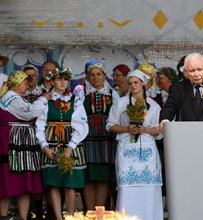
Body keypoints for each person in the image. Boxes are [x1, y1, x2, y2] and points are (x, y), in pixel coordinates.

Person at [106, 69, 163, 219]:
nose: (133, 86)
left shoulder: (154, 105)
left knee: (149, 189)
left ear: (143, 83)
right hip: (126, 150)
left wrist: (145, 130)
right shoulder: (121, 102)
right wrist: (127, 128)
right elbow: (111, 125)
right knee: (126, 189)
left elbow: (159, 130)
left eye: (136, 82)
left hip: (148, 151)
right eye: (130, 83)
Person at [36, 67, 88, 220]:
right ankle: (59, 217)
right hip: (51, 145)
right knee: (53, 184)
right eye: (59, 79)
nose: (63, 82)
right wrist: (44, 146)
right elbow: (39, 126)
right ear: (51, 81)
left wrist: (70, 147)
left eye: (65, 79)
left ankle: (70, 216)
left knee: (70, 183)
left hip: (71, 144)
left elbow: (82, 125)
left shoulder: (75, 99)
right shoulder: (45, 101)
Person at [0, 71, 50, 220]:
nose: (26, 85)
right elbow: (29, 113)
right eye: (24, 82)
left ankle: (23, 217)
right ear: (16, 84)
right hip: (13, 141)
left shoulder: (16, 98)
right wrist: (43, 99)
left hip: (22, 142)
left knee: (23, 183)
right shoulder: (10, 97)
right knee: (7, 181)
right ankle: (3, 217)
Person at [75, 62, 119, 211]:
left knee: (103, 177)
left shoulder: (113, 94)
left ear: (104, 76)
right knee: (89, 176)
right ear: (87, 77)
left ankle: (99, 213)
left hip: (106, 138)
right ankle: (89, 212)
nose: (95, 77)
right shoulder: (81, 94)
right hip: (87, 137)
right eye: (92, 74)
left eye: (99, 74)